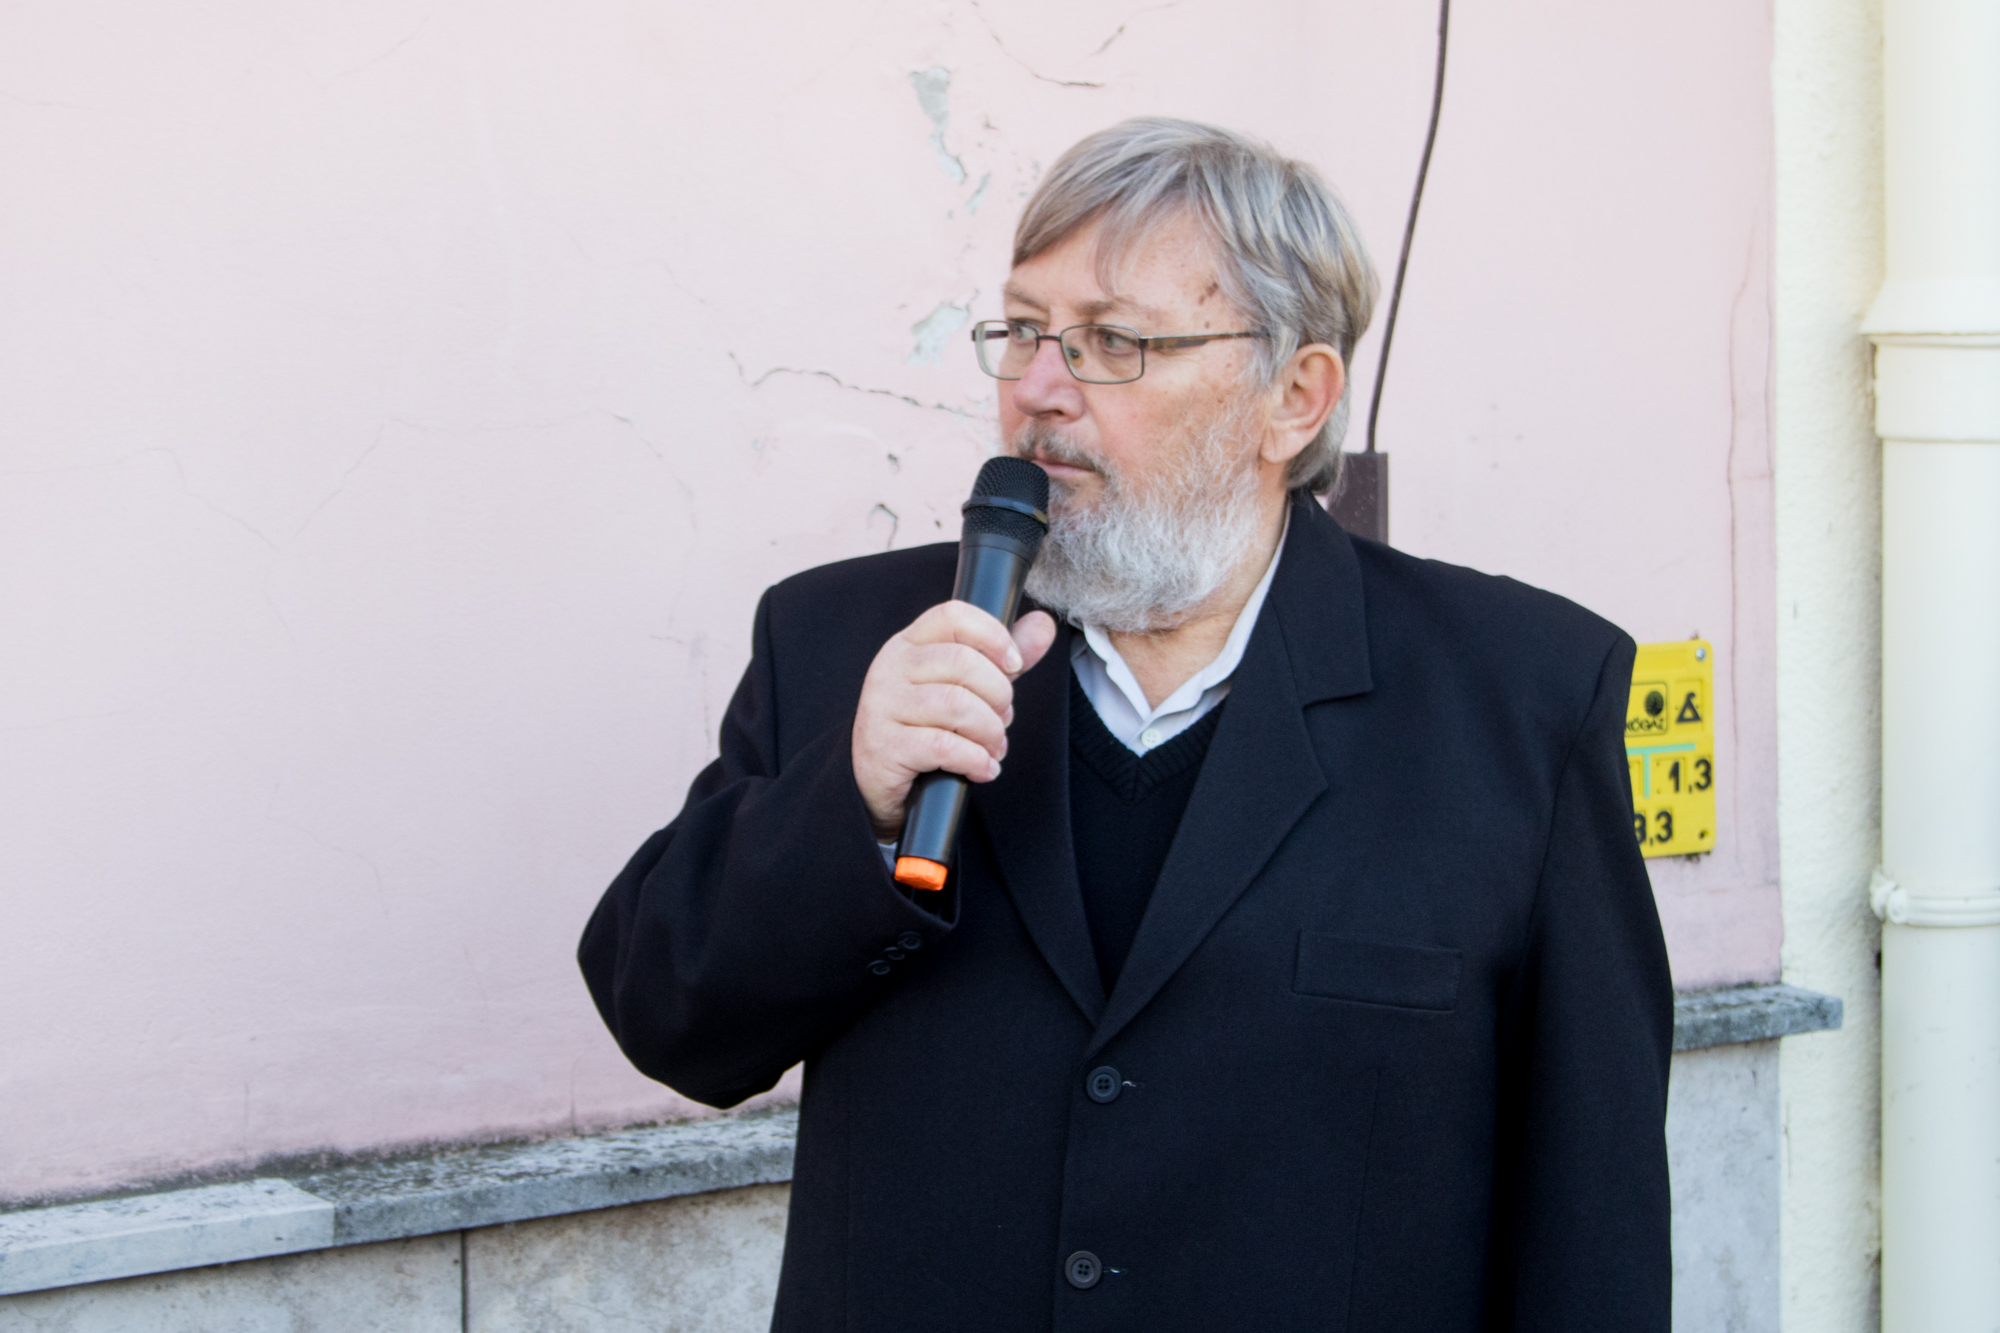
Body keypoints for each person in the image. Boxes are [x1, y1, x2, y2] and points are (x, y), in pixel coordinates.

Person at [579, 117, 1671, 1331]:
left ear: (1291, 397)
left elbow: (1591, 1222)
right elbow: (666, 1016)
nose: (1038, 391)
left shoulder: (1520, 698)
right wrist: (851, 794)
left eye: (1113, 342)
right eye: (1022, 330)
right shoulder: (847, 644)